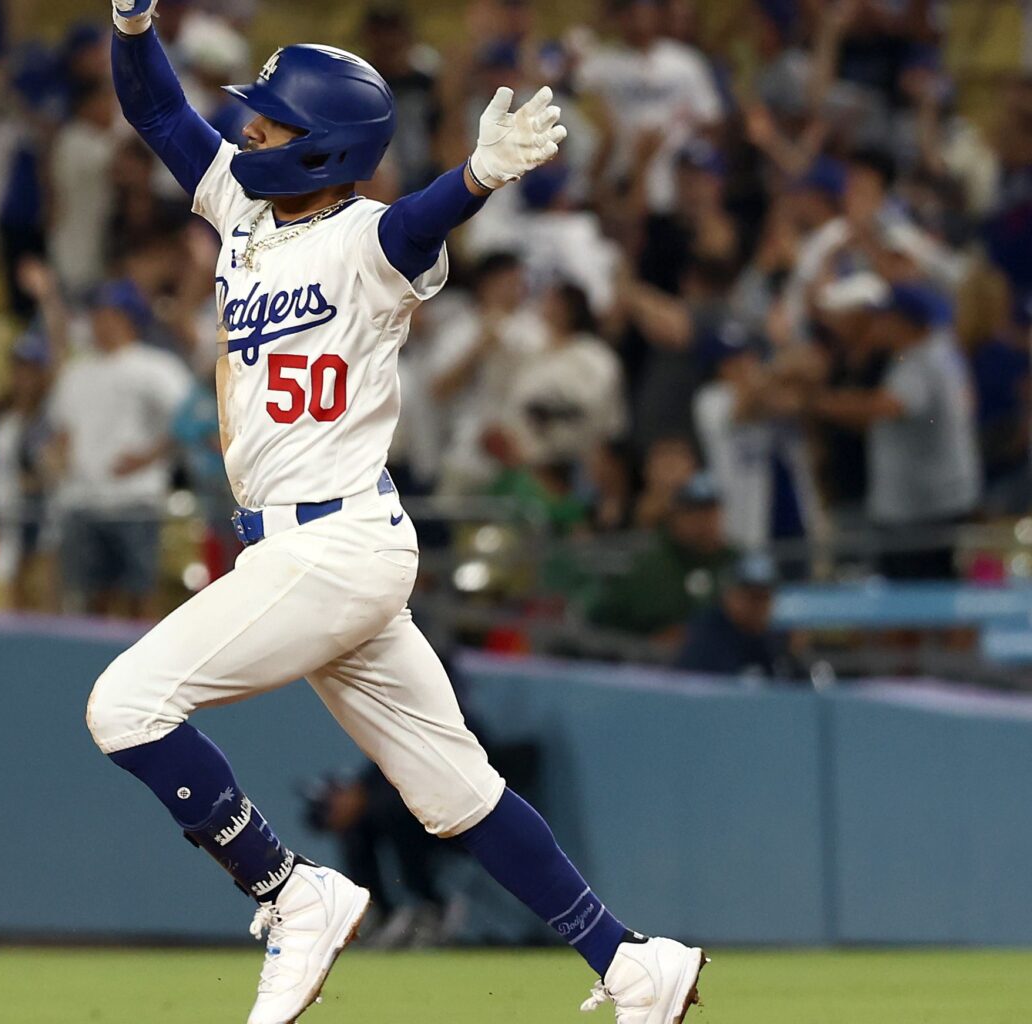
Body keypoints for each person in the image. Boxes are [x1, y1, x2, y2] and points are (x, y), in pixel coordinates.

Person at [92, 5, 705, 1023]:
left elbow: (417, 219)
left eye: (272, 125)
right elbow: (156, 109)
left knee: (124, 706)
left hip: (330, 545)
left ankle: (291, 889)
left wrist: (477, 178)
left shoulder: (367, 240)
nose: (248, 133)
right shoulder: (242, 210)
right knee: (454, 789)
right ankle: (631, 960)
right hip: (327, 552)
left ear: (325, 145)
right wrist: (131, 21)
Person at [45, 278, 192, 619]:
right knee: (90, 597)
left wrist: (149, 456)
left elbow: (190, 417)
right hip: (83, 499)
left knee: (141, 593)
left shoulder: (155, 366)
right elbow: (62, 430)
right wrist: (59, 462)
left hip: (135, 500)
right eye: (96, 313)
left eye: (107, 313)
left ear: (127, 317)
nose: (98, 321)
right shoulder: (76, 371)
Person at [811, 282, 980, 580]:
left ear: (903, 321)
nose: (877, 325)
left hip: (921, 511)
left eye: (884, 317)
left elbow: (887, 408)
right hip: (943, 499)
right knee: (941, 595)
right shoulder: (943, 346)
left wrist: (816, 404)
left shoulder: (919, 360)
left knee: (921, 601)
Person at [590, 472, 734, 640]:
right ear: (675, 515)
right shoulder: (647, 565)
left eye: (710, 511)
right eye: (693, 512)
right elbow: (603, 623)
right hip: (649, 661)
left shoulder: (736, 563)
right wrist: (649, 643)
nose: (703, 521)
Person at [674, 552, 797, 680]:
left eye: (765, 597)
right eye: (752, 597)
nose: (758, 607)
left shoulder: (771, 638)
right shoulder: (707, 637)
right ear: (729, 595)